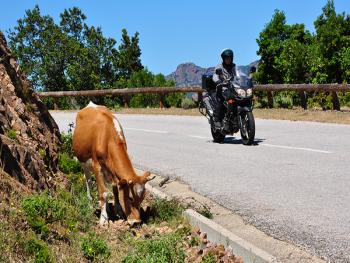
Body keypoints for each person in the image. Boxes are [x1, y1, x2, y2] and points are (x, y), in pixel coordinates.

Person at [212, 49, 236, 127]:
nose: (228, 59)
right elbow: (215, 76)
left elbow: (239, 75)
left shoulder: (234, 66)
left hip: (233, 89)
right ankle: (217, 119)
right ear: (223, 58)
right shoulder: (219, 67)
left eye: (229, 58)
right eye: (226, 58)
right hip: (223, 89)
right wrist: (218, 81)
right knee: (221, 100)